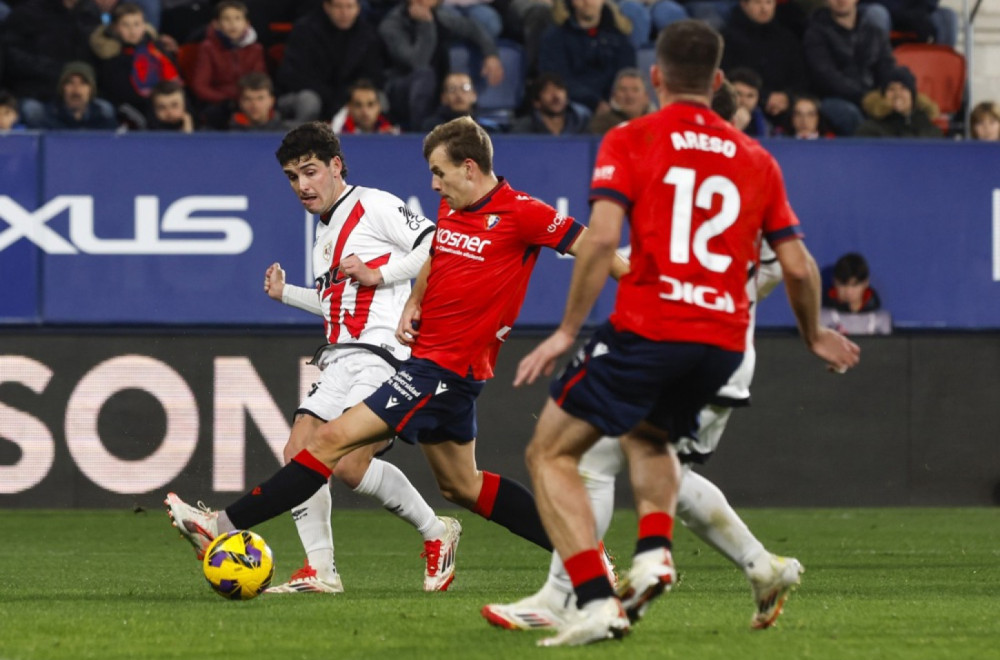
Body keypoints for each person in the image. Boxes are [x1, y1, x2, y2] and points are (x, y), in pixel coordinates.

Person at [165, 117, 628, 588]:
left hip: (444, 368)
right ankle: (588, 553)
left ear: (469, 167)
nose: (432, 183)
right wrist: (412, 300)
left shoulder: (522, 212)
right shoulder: (452, 207)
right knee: (461, 486)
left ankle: (221, 525)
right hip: (432, 361)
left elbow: (598, 246)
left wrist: (644, 294)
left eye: (439, 172)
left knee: (326, 445)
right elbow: (435, 256)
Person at [514, 20, 860, 646]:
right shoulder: (758, 158)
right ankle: (654, 550)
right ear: (721, 81)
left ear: (655, 77)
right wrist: (813, 337)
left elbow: (598, 240)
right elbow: (801, 266)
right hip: (723, 344)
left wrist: (567, 329)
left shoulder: (632, 137)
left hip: (654, 325)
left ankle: (592, 599)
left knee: (550, 452)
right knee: (649, 436)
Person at [482, 92, 806, 636]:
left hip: (674, 340)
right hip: (727, 351)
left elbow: (611, 240)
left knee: (588, 460)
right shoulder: (751, 168)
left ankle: (571, 596)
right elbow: (786, 266)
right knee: (656, 461)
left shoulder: (667, 160)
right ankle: (758, 566)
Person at [170, 121, 463, 593]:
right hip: (339, 358)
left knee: (346, 462)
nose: (302, 185)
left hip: (385, 354)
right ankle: (320, 570)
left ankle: (437, 532)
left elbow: (436, 246)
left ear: (335, 166)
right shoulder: (323, 235)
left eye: (310, 172)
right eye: (292, 176)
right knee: (299, 452)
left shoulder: (374, 204)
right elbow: (336, 302)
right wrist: (288, 295)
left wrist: (379, 273)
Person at [379, 0, 504, 131]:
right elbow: (417, 62)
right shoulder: (392, 25)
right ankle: (419, 134)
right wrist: (425, 24)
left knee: (455, 82)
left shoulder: (440, 15)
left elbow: (472, 28)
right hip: (401, 90)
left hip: (435, 86)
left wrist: (491, 54)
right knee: (425, 76)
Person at [275, 0, 384, 125]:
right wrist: (330, 98)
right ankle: (301, 139)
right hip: (311, 93)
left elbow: (373, 74)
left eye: (349, 7)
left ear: (358, 8)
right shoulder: (305, 31)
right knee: (309, 101)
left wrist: (347, 96)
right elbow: (295, 75)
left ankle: (372, 141)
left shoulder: (368, 35)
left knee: (375, 98)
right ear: (327, 7)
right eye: (338, 7)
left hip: (349, 96)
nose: (344, 13)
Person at [802, 0, 895, 136]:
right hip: (831, 98)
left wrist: (886, 95)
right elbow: (826, 76)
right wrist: (865, 98)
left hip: (871, 97)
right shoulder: (816, 33)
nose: (841, 1)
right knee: (848, 113)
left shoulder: (874, 32)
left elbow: (887, 68)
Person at [721, 0, 808, 133]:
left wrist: (787, 97)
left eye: (768, 3)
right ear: (744, 5)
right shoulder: (728, 38)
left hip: (784, 108)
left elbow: (800, 78)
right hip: (745, 105)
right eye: (757, 3)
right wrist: (764, 97)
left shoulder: (787, 39)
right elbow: (726, 77)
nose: (764, 8)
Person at [537, 0, 636, 113]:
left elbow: (626, 76)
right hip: (570, 109)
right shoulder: (554, 38)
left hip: (613, 107)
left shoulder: (620, 39)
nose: (588, 1)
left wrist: (611, 103)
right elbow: (556, 79)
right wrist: (595, 103)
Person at [90, 1, 180, 120]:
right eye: (125, 25)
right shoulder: (111, 56)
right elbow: (118, 91)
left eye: (137, 24)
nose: (132, 30)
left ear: (144, 26)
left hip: (163, 102)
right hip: (130, 109)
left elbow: (172, 79)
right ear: (116, 28)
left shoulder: (157, 49)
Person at [189, 0, 267, 130]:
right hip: (220, 104)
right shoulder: (208, 48)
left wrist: (247, 100)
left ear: (247, 23)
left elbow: (259, 81)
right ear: (216, 24)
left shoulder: (256, 49)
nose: (232, 24)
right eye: (226, 19)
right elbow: (200, 86)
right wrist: (226, 99)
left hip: (248, 101)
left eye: (237, 18)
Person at [854, 65, 942, 138]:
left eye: (903, 88)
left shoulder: (930, 131)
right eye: (891, 89)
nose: (897, 94)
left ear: (912, 95)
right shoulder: (869, 131)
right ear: (883, 96)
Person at [26, 60, 118, 129]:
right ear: (62, 88)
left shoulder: (103, 119)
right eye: (70, 83)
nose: (76, 89)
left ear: (91, 90)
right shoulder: (47, 118)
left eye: (83, 83)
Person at [821, 252, 891, 334]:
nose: (848, 292)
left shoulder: (881, 320)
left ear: (866, 283)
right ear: (834, 282)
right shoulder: (820, 319)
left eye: (855, 285)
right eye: (843, 284)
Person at [510, 71, 591, 135]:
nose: (555, 95)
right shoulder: (523, 130)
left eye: (559, 89)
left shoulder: (580, 126)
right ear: (537, 103)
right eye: (547, 91)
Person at [587, 67, 654, 135]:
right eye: (623, 90)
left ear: (646, 97)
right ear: (614, 95)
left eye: (635, 90)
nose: (629, 95)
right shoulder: (601, 124)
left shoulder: (656, 124)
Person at [331, 79, 399, 135]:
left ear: (379, 107)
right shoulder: (337, 133)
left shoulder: (390, 132)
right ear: (349, 107)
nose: (365, 111)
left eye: (370, 104)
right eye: (358, 105)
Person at [728, 67, 771, 137]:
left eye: (750, 96)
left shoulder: (765, 126)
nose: (743, 101)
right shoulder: (713, 118)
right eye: (738, 94)